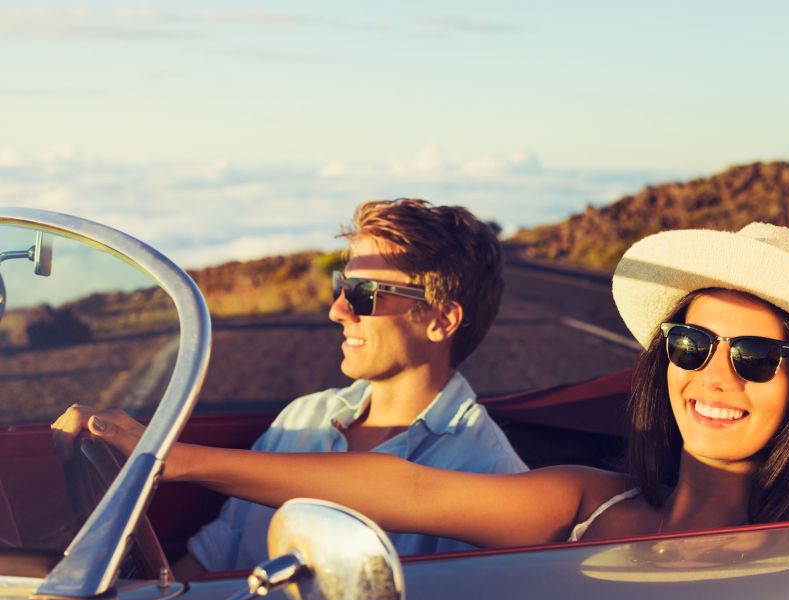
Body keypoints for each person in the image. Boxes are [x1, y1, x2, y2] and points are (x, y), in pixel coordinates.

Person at [53, 222, 789, 553]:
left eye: (755, 358)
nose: (715, 376)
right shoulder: (590, 499)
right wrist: (170, 456)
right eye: (691, 342)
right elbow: (405, 488)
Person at [55, 198, 528, 578]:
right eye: (342, 286)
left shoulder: (486, 472)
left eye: (365, 295)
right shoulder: (301, 418)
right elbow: (210, 565)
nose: (338, 311)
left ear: (442, 319)